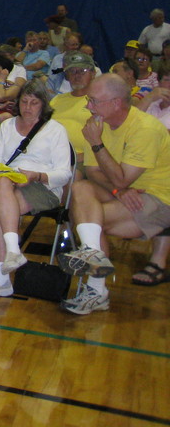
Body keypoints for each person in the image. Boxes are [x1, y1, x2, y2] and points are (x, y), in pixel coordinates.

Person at [57, 74, 170, 315]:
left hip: (159, 198)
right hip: (126, 191)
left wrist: (97, 144)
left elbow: (121, 178)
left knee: (88, 220)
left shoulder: (145, 128)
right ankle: (92, 255)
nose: (89, 106)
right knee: (80, 188)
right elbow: (93, 172)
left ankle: (96, 289)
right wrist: (118, 190)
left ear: (116, 102)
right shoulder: (96, 123)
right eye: (88, 100)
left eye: (94, 101)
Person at [0, 79, 73, 299]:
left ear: (43, 104)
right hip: (9, 183)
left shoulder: (55, 130)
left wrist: (36, 175)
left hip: (43, 186)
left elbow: (64, 174)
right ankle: (12, 254)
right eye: (24, 102)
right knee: (2, 181)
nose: (27, 107)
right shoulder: (8, 125)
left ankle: (2, 276)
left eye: (34, 103)